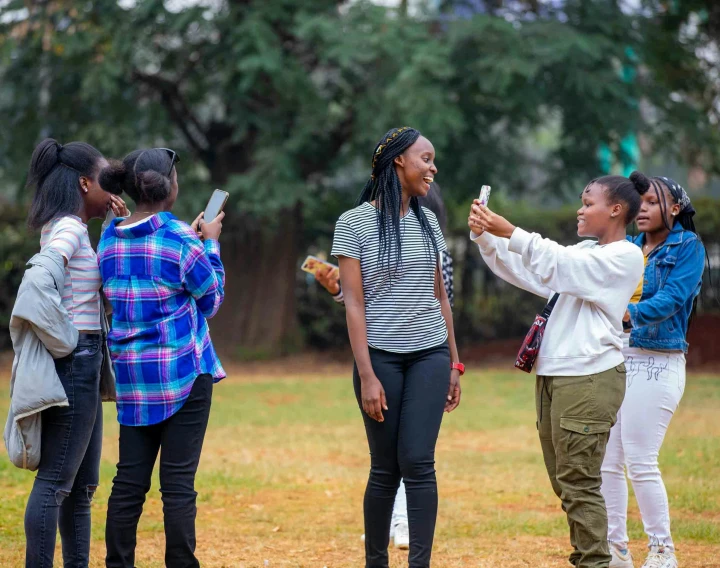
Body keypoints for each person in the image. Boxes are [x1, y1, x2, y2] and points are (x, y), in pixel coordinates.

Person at [468, 173, 647, 568]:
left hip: (589, 377)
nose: (580, 210)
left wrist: (510, 230)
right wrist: (487, 237)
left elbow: (558, 263)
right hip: (556, 375)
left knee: (579, 482)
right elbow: (533, 270)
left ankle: (597, 561)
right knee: (565, 481)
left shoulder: (625, 256)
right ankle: (598, 557)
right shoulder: (585, 251)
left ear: (615, 210)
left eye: (588, 203)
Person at [332, 126, 463, 568]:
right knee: (385, 467)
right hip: (381, 358)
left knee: (419, 462)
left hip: (430, 353)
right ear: (399, 162)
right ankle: (376, 562)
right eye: (425, 159)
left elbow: (440, 297)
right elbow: (353, 303)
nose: (433, 167)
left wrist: (454, 363)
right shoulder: (354, 223)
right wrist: (367, 374)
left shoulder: (428, 221)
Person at [97, 148, 225, 568]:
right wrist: (212, 244)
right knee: (177, 485)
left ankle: (118, 562)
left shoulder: (110, 239)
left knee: (129, 481)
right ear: (170, 187)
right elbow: (211, 300)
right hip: (184, 376)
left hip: (134, 381)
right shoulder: (182, 241)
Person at [21, 138, 127, 568]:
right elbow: (40, 278)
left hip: (85, 358)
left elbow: (81, 283)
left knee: (80, 486)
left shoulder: (73, 227)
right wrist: (65, 336)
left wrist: (111, 232)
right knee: (55, 483)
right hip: (76, 358)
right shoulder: (67, 228)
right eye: (107, 182)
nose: (114, 192)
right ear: (85, 183)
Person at [600, 176, 705, 568]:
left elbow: (673, 299)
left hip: (657, 360)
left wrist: (625, 314)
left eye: (651, 202)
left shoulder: (687, 247)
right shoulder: (626, 247)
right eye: (637, 202)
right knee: (608, 460)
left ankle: (663, 550)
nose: (640, 208)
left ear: (674, 209)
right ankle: (616, 550)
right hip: (617, 357)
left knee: (641, 460)